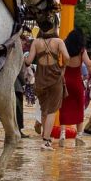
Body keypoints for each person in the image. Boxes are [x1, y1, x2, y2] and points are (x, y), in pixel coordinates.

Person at [25, 19, 70, 150]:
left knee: (44, 110)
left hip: (40, 78)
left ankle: (46, 138)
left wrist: (24, 60)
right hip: (55, 77)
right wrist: (63, 67)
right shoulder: (59, 42)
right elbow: (67, 57)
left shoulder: (36, 42)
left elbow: (28, 61)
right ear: (54, 28)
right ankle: (46, 141)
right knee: (52, 111)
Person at [60, 28, 91, 139]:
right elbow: (89, 63)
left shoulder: (64, 48)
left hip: (65, 80)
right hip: (76, 81)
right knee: (79, 107)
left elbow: (61, 66)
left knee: (64, 107)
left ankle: (62, 134)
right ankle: (79, 135)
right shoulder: (81, 50)